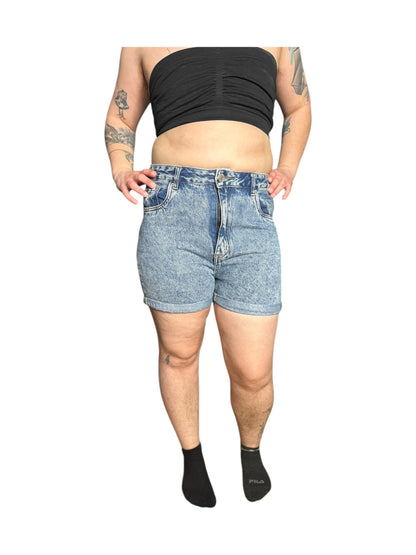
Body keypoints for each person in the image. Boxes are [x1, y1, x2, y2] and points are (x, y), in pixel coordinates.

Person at [104, 46, 311, 508]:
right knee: (179, 353)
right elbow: (121, 112)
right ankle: (192, 458)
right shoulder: (142, 35)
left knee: (254, 371)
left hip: (250, 204)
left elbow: (298, 105)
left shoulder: (278, 31)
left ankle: (250, 450)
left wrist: (288, 167)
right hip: (173, 204)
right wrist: (121, 167)